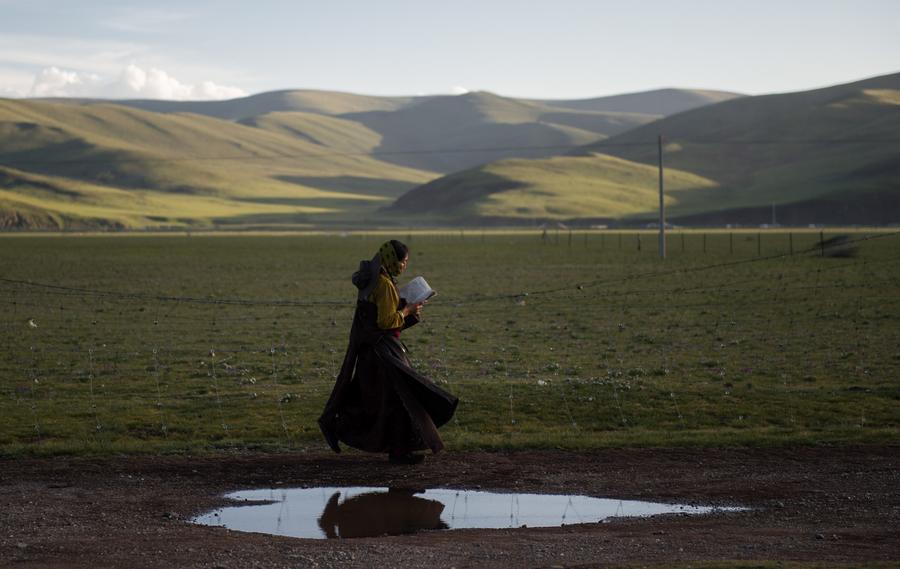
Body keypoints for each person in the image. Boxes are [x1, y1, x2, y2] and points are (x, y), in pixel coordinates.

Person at [318, 240, 458, 464]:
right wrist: (408, 309)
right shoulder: (383, 285)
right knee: (398, 399)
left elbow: (375, 317)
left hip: (370, 351)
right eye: (403, 262)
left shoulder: (374, 279)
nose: (404, 266)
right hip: (382, 353)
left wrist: (403, 308)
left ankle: (397, 450)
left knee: (379, 402)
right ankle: (344, 430)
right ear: (393, 260)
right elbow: (386, 321)